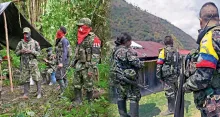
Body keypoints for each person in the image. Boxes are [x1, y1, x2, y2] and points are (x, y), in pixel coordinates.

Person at [183, 2, 220, 117]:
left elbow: (203, 77)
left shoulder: (209, 37)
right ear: (218, 19)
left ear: (200, 21)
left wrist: (185, 86)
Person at [110, 33, 144, 117]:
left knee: (121, 96)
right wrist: (141, 62)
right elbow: (137, 64)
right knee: (134, 97)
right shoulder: (126, 51)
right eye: (130, 41)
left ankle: (123, 115)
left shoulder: (114, 50)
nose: (131, 43)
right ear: (127, 41)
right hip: (128, 79)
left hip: (118, 78)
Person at [72, 18, 101, 105]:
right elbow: (77, 51)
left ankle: (89, 102)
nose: (79, 28)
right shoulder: (80, 38)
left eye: (81, 26)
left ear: (86, 27)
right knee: (76, 83)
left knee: (89, 85)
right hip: (79, 64)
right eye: (78, 26)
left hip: (88, 66)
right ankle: (78, 100)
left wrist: (91, 69)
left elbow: (95, 57)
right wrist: (74, 62)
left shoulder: (94, 39)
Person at [15, 27, 42, 99]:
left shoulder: (35, 42)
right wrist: (21, 51)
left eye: (27, 33)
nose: (25, 35)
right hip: (24, 63)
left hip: (33, 62)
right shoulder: (20, 43)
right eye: (24, 33)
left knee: (37, 77)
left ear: (30, 33)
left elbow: (39, 53)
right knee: (25, 78)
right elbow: (16, 53)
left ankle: (39, 93)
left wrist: (31, 51)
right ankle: (26, 93)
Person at [156, 36, 180, 116]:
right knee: (176, 91)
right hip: (175, 75)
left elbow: (159, 64)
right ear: (172, 42)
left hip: (167, 76)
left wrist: (158, 76)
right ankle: (177, 106)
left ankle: (171, 110)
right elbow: (179, 63)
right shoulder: (177, 51)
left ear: (165, 43)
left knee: (169, 93)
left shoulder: (163, 51)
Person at [55, 26, 70, 95]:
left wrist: (61, 63)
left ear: (62, 32)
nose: (58, 31)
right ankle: (65, 91)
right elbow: (59, 51)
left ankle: (63, 92)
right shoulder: (59, 40)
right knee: (64, 76)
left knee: (58, 76)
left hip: (64, 61)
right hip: (61, 61)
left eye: (59, 30)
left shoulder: (64, 40)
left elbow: (65, 52)